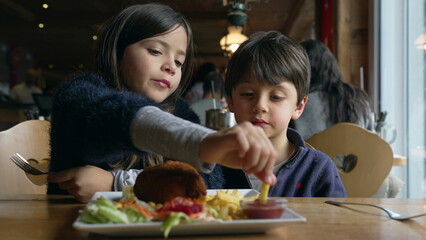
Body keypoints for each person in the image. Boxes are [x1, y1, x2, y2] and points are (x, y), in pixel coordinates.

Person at [47, 3, 277, 202]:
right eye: (156, 51)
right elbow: (110, 117)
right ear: (117, 52)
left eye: (179, 61)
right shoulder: (79, 93)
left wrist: (116, 184)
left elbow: (202, 183)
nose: (171, 66)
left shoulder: (180, 111)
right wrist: (201, 143)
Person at [223, 31, 347, 197]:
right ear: (230, 100)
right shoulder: (214, 163)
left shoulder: (317, 168)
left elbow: (336, 219)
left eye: (276, 97)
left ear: (298, 107)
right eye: (247, 94)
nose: (260, 106)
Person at [293, 39, 402, 198]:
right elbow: (373, 144)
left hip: (314, 184)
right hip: (363, 185)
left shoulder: (300, 103)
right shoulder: (358, 99)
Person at [290, 39, 374, 140]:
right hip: (358, 156)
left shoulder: (300, 104)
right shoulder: (358, 99)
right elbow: (372, 142)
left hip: (314, 155)